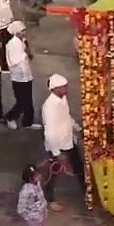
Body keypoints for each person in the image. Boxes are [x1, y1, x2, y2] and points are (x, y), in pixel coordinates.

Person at [41, 74, 87, 212]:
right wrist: (57, 153)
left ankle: (87, 193)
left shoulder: (63, 99)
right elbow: (49, 132)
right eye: (63, 87)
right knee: (53, 174)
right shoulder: (49, 107)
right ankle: (50, 200)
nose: (66, 88)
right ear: (55, 89)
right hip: (57, 146)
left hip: (68, 141)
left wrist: (78, 129)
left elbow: (67, 117)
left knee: (79, 168)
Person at [3, 20, 37, 129]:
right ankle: (10, 117)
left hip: (27, 75)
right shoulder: (11, 45)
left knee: (28, 101)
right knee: (21, 101)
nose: (25, 32)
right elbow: (13, 62)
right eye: (22, 31)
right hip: (18, 77)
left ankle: (28, 122)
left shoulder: (22, 41)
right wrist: (24, 54)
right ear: (16, 32)